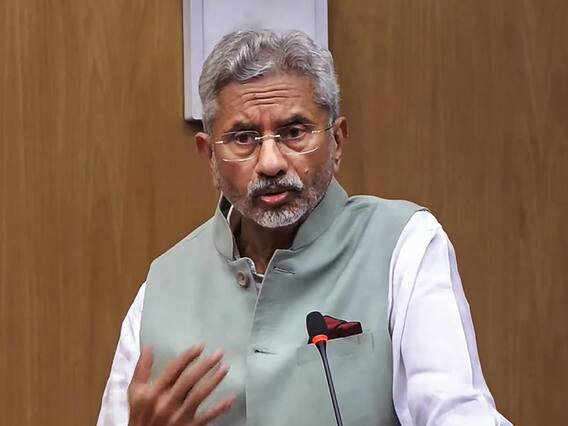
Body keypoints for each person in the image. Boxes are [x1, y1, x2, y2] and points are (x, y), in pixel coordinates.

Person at [97, 30, 512, 426]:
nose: (271, 163)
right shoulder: (161, 289)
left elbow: (456, 412)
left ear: (337, 142)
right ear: (210, 157)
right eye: (243, 138)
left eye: (294, 132)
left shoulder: (405, 245)